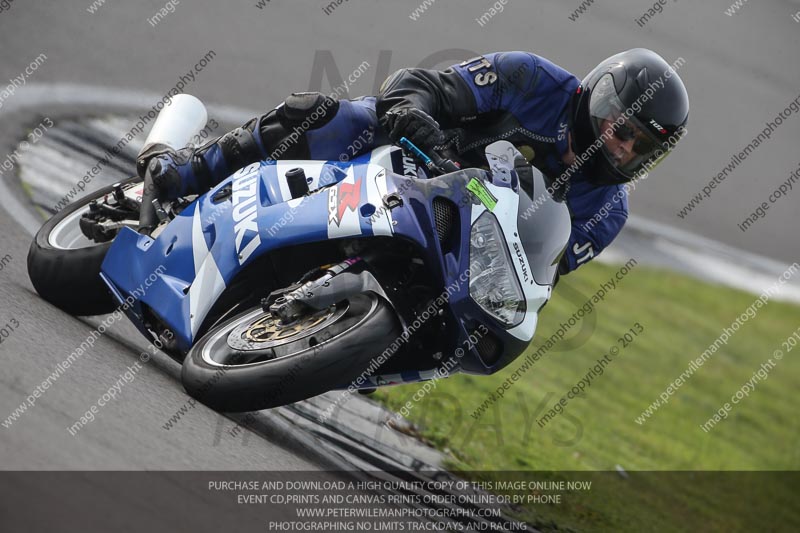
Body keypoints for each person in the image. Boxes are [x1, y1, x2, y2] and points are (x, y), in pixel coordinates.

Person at [139, 48, 688, 273]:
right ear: (600, 99)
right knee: (335, 115)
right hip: (401, 159)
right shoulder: (529, 79)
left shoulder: (606, 214)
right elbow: (423, 85)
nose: (622, 147)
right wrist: (418, 120)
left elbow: (539, 277)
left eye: (640, 145)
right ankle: (186, 171)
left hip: (453, 241)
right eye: (623, 128)